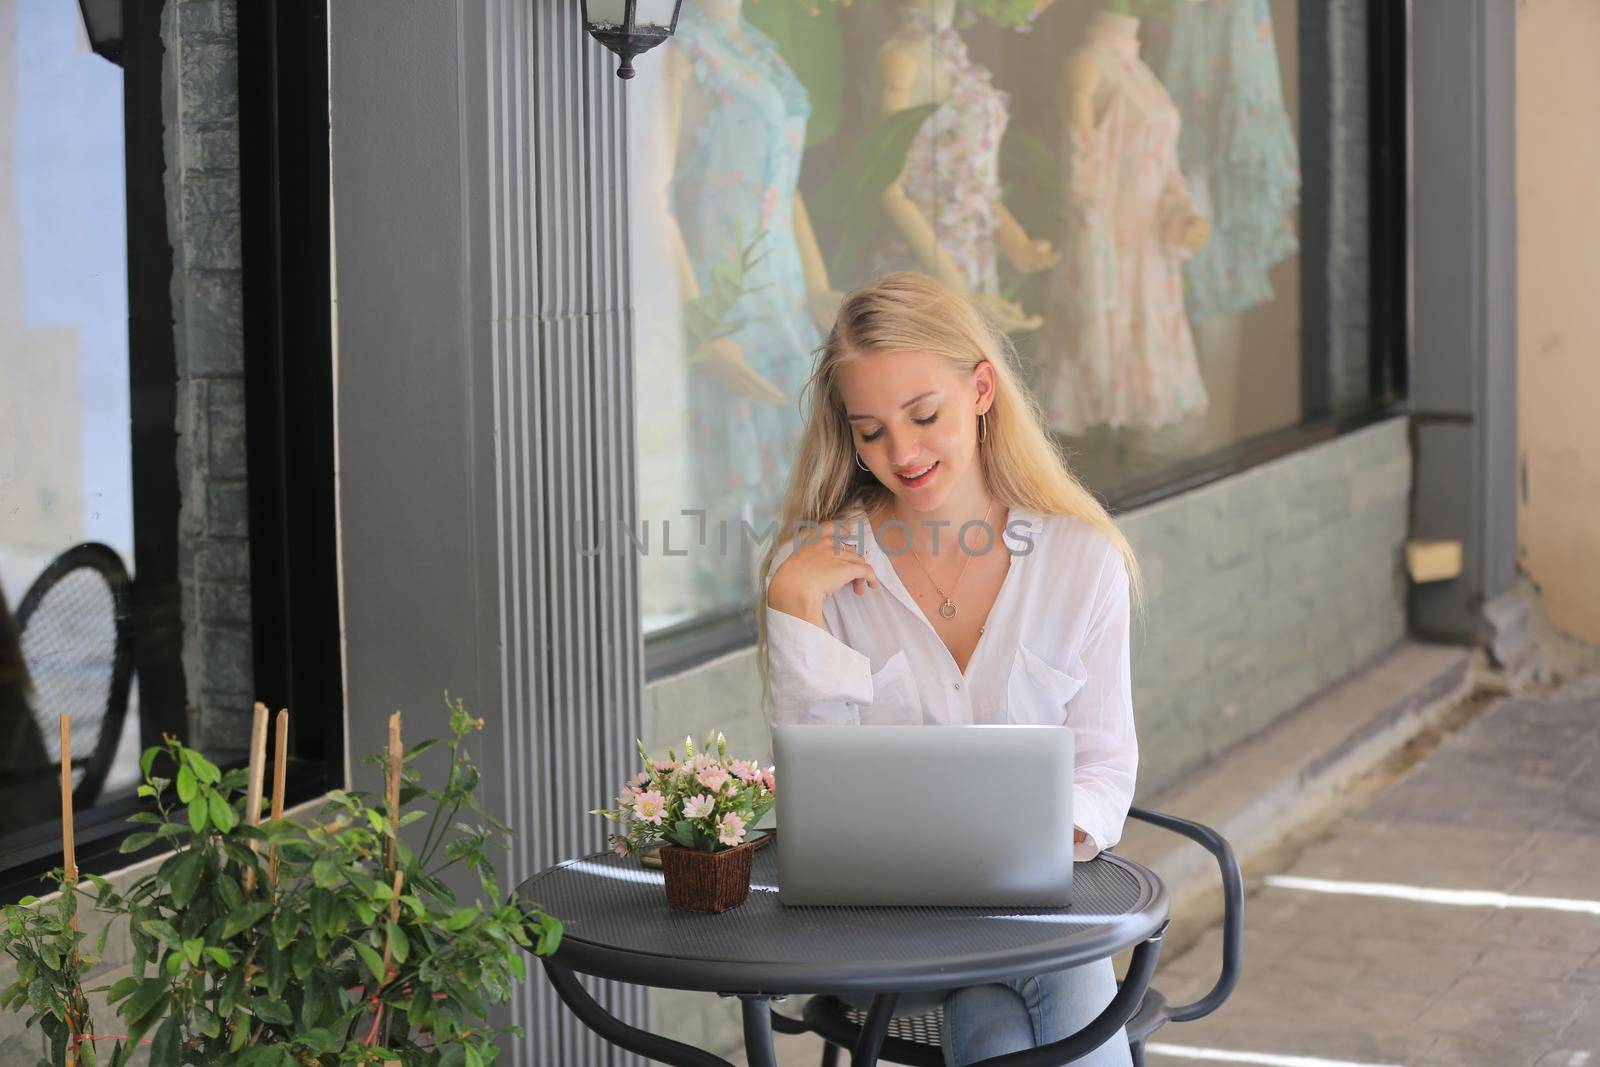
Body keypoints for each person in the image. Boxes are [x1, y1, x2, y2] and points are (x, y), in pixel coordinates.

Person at [757, 271, 1140, 1066]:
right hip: (885, 943)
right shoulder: (821, 571)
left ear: (981, 389)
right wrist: (791, 602)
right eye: (869, 430)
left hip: (1026, 924)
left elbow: (1105, 767)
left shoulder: (1079, 561)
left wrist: (1036, 831)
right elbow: (817, 796)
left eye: (923, 415)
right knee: (1068, 982)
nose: (900, 452)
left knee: (999, 1015)